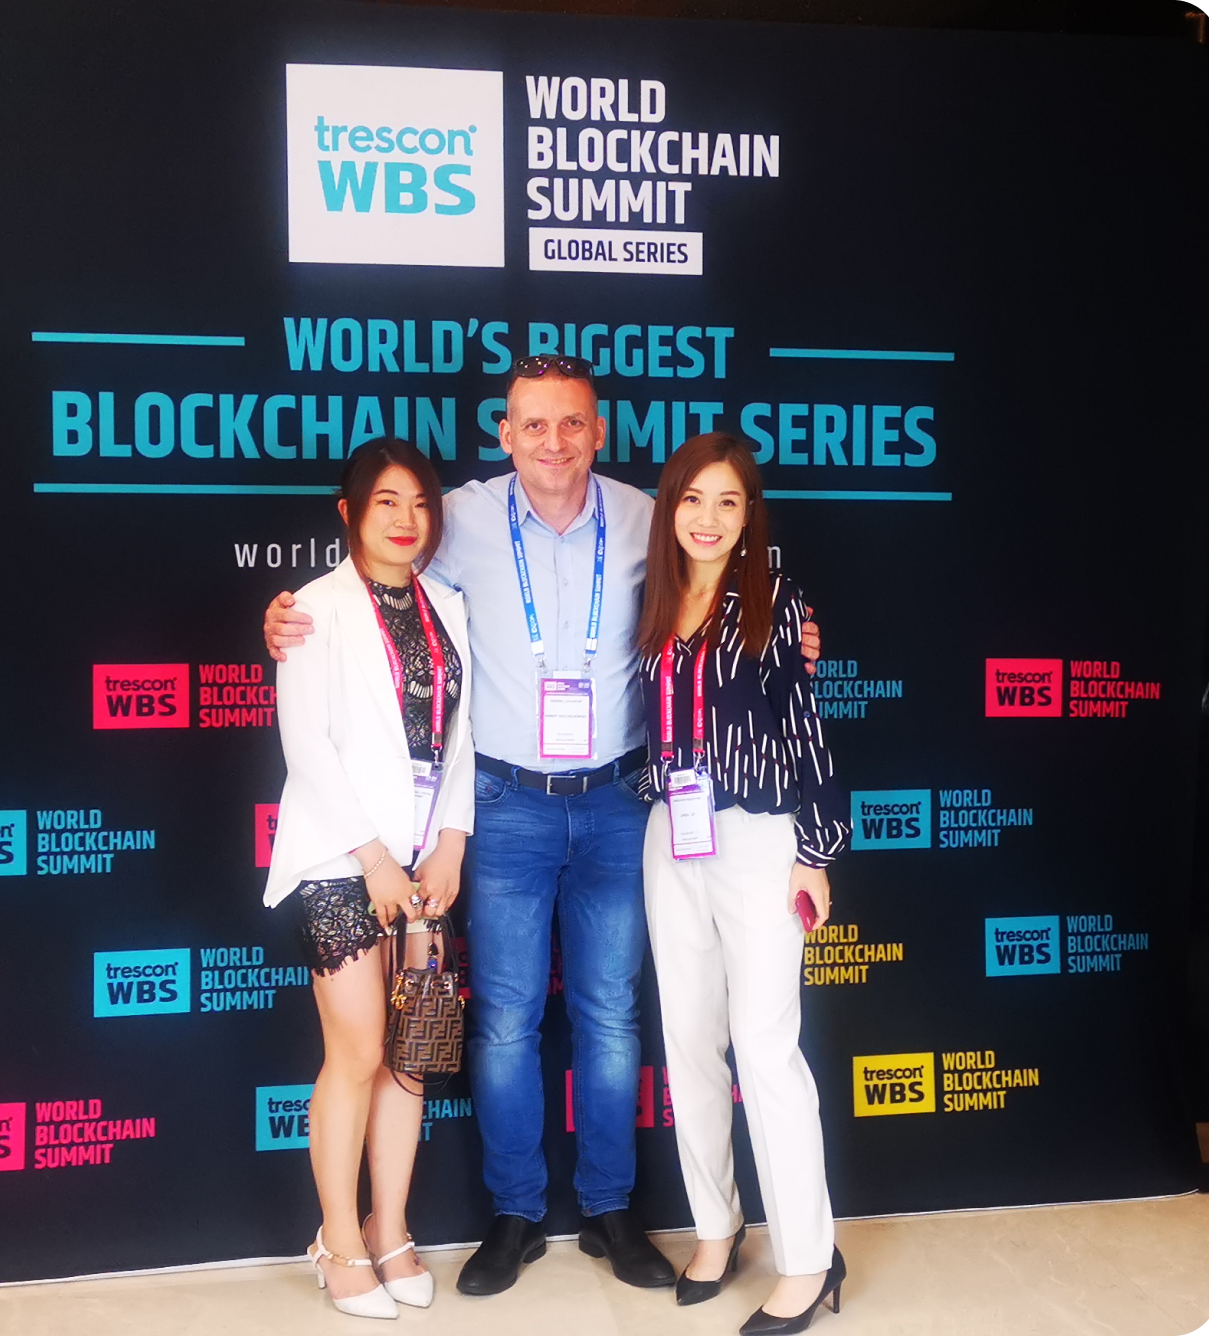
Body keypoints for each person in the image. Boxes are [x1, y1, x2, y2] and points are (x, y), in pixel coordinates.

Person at [263, 356, 825, 1296]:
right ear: (505, 433)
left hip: (622, 804)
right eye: (533, 425)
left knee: (611, 1017)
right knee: (506, 1022)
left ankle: (611, 1208)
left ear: (599, 432)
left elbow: (733, 580)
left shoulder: (653, 512)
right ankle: (515, 1213)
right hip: (506, 803)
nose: (553, 443)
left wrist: (795, 630)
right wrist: (288, 618)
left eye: (572, 424)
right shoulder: (461, 522)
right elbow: (371, 578)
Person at [636, 432, 848, 1335]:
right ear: (670, 508)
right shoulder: (654, 600)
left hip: (760, 838)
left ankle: (808, 1259)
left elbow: (808, 731)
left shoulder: (778, 601)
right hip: (668, 834)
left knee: (765, 1046)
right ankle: (718, 1227)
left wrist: (818, 849)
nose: (710, 519)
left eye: (729, 501)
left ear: (749, 513)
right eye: (693, 500)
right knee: (689, 1039)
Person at [263, 437, 474, 1319]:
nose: (407, 520)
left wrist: (452, 840)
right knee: (355, 1050)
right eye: (387, 502)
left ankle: (391, 1231)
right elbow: (305, 747)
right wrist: (377, 860)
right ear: (349, 514)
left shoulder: (449, 608)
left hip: (425, 860)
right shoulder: (313, 608)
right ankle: (337, 1239)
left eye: (422, 504)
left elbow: (459, 738)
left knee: (413, 1053)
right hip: (343, 860)